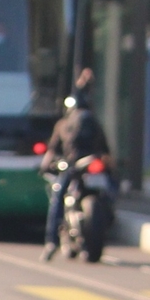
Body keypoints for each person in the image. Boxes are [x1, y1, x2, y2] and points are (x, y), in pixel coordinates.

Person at [42, 68, 111, 259]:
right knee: (109, 191)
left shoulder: (63, 124)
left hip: (72, 166)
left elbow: (51, 151)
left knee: (57, 199)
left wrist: (44, 167)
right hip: (93, 165)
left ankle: (51, 242)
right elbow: (107, 153)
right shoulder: (95, 122)